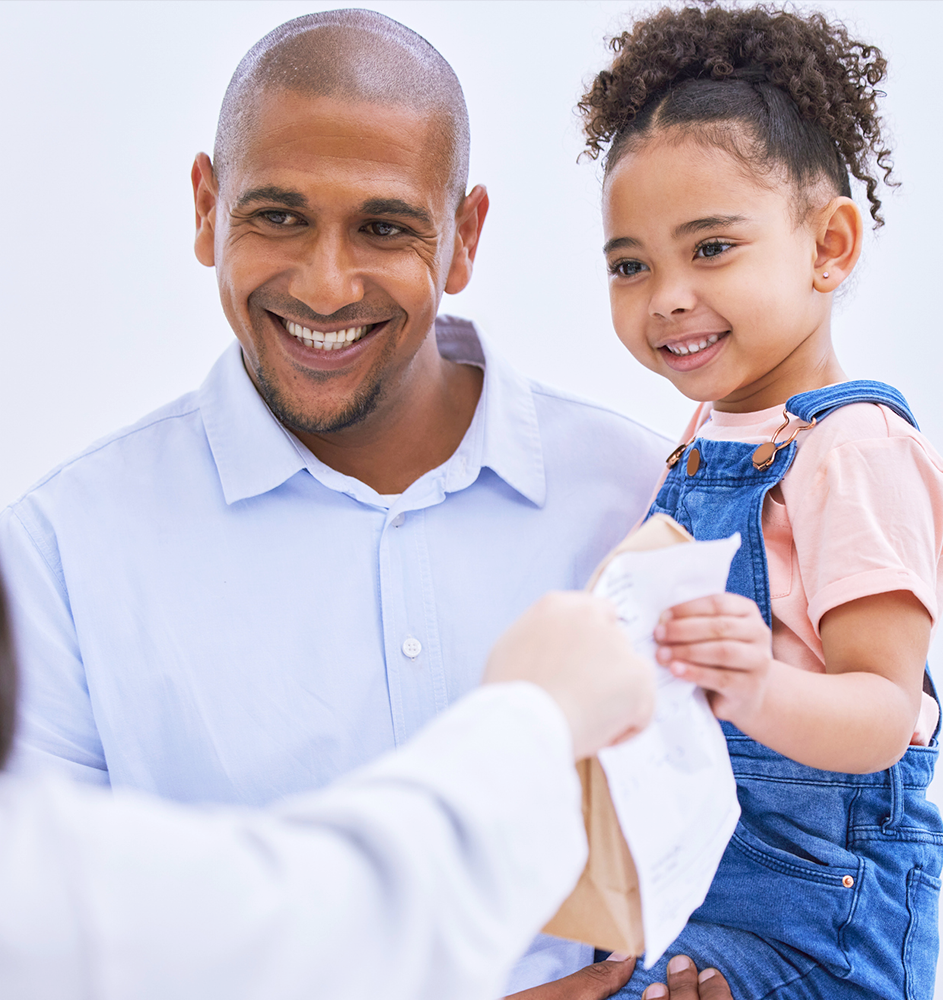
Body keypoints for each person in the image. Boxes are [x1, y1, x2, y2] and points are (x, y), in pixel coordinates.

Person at [0, 9, 670, 997]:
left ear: (464, 237)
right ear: (204, 205)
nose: (324, 284)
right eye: (275, 215)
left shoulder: (642, 493)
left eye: (385, 226)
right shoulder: (61, 551)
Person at [579, 5, 943, 999]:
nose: (664, 295)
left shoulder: (856, 451)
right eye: (630, 263)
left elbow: (883, 712)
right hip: (694, 880)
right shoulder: (696, 446)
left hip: (819, 910)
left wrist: (752, 688)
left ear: (828, 246)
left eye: (710, 249)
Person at [0, 553, 734, 999]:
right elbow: (324, 927)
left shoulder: (638, 477)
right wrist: (539, 714)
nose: (325, 289)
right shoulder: (58, 543)